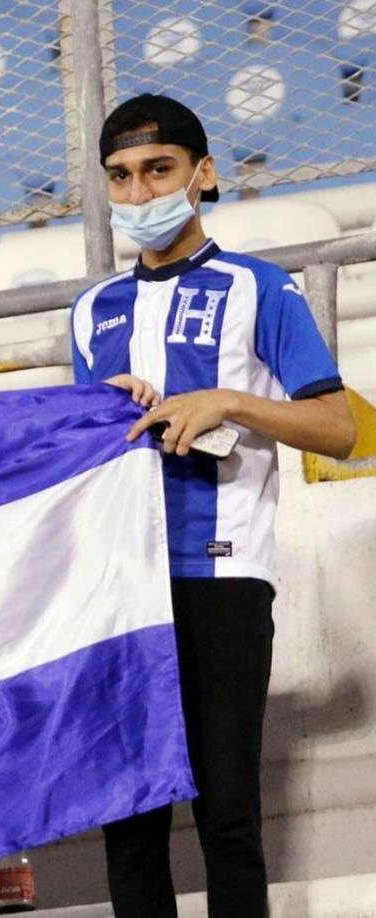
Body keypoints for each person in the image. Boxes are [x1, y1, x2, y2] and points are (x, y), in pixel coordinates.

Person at [70, 94, 356, 918]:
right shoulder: (91, 312)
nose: (137, 192)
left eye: (156, 170)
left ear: (202, 174)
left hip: (221, 576)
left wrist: (228, 402)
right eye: (118, 177)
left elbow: (339, 428)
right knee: (129, 822)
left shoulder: (260, 289)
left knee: (226, 813)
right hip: (118, 589)